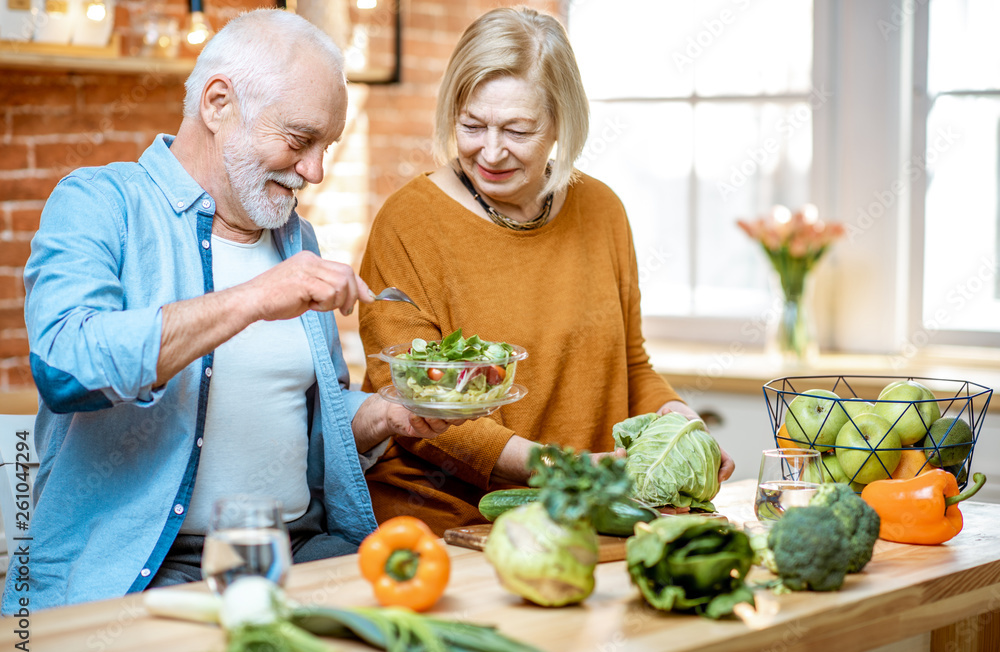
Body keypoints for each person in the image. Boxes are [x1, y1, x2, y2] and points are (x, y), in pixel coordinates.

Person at [1, 9, 456, 614]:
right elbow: (66, 367)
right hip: (152, 571)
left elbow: (302, 425)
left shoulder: (297, 241)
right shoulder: (100, 202)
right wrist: (252, 300)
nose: (314, 171)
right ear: (218, 103)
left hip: (303, 551)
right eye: (299, 140)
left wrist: (386, 414)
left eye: (326, 147)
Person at [358, 7, 735, 536]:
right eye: (471, 125)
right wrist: (563, 468)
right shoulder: (408, 222)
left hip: (585, 514)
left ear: (561, 122)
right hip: (450, 525)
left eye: (518, 129)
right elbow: (413, 404)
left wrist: (681, 426)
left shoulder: (602, 210)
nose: (490, 151)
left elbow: (630, 364)